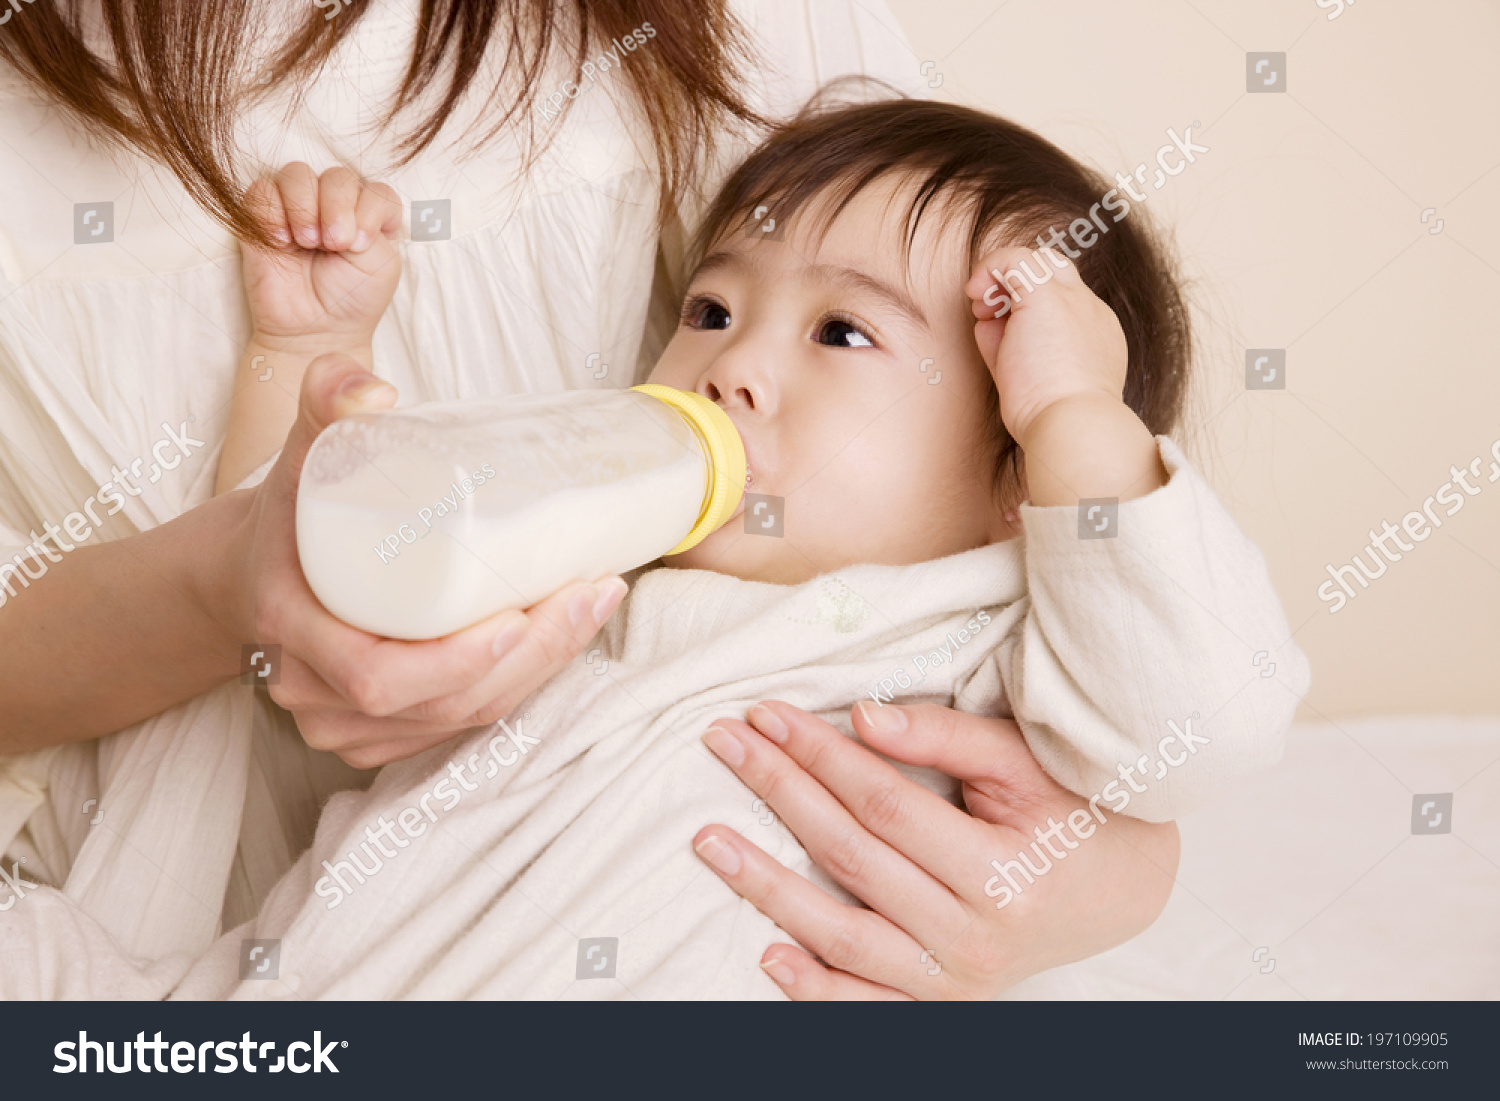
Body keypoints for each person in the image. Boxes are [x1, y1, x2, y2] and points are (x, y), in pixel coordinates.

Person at [0, 0, 1182, 997]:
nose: (731, 367)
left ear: (1015, 481)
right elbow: (299, 570)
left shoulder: (975, 640)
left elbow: (1182, 696)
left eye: (841, 332)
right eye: (709, 309)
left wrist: (1123, 863)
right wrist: (301, 358)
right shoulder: (584, 590)